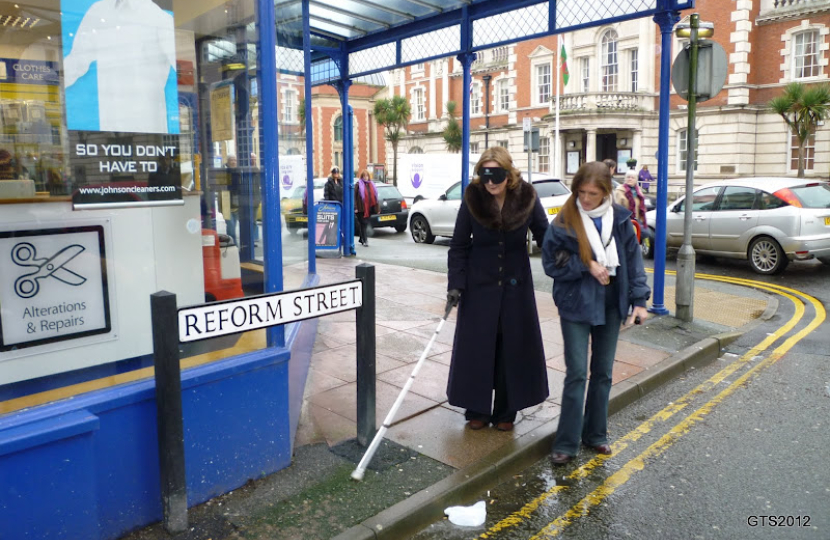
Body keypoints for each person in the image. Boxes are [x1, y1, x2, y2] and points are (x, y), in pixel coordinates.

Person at [541, 161, 650, 465]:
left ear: (605, 193)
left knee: (602, 373)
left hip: (611, 302)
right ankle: (566, 442)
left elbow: (633, 263)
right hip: (576, 302)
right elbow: (551, 263)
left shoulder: (620, 219)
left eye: (593, 193)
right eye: (582, 192)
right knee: (576, 374)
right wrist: (586, 264)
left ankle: (596, 434)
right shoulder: (564, 220)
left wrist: (640, 300)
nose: (586, 199)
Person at [446, 147, 550, 432]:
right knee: (479, 346)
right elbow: (458, 246)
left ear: (509, 173)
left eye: (497, 176)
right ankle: (476, 408)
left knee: (511, 347)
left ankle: (506, 410)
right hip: (479, 285)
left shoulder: (527, 196)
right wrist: (456, 283)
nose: (490, 182)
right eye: (485, 175)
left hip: (517, 286)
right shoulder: (472, 197)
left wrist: (568, 260)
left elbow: (545, 236)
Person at [354, 170, 378, 247]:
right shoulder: (358, 184)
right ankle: (365, 240)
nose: (366, 177)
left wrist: (376, 208)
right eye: (364, 176)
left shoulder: (371, 184)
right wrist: (355, 207)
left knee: (363, 224)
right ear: (362, 177)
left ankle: (361, 238)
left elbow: (375, 196)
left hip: (369, 208)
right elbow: (354, 197)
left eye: (367, 176)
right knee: (363, 223)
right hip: (360, 208)